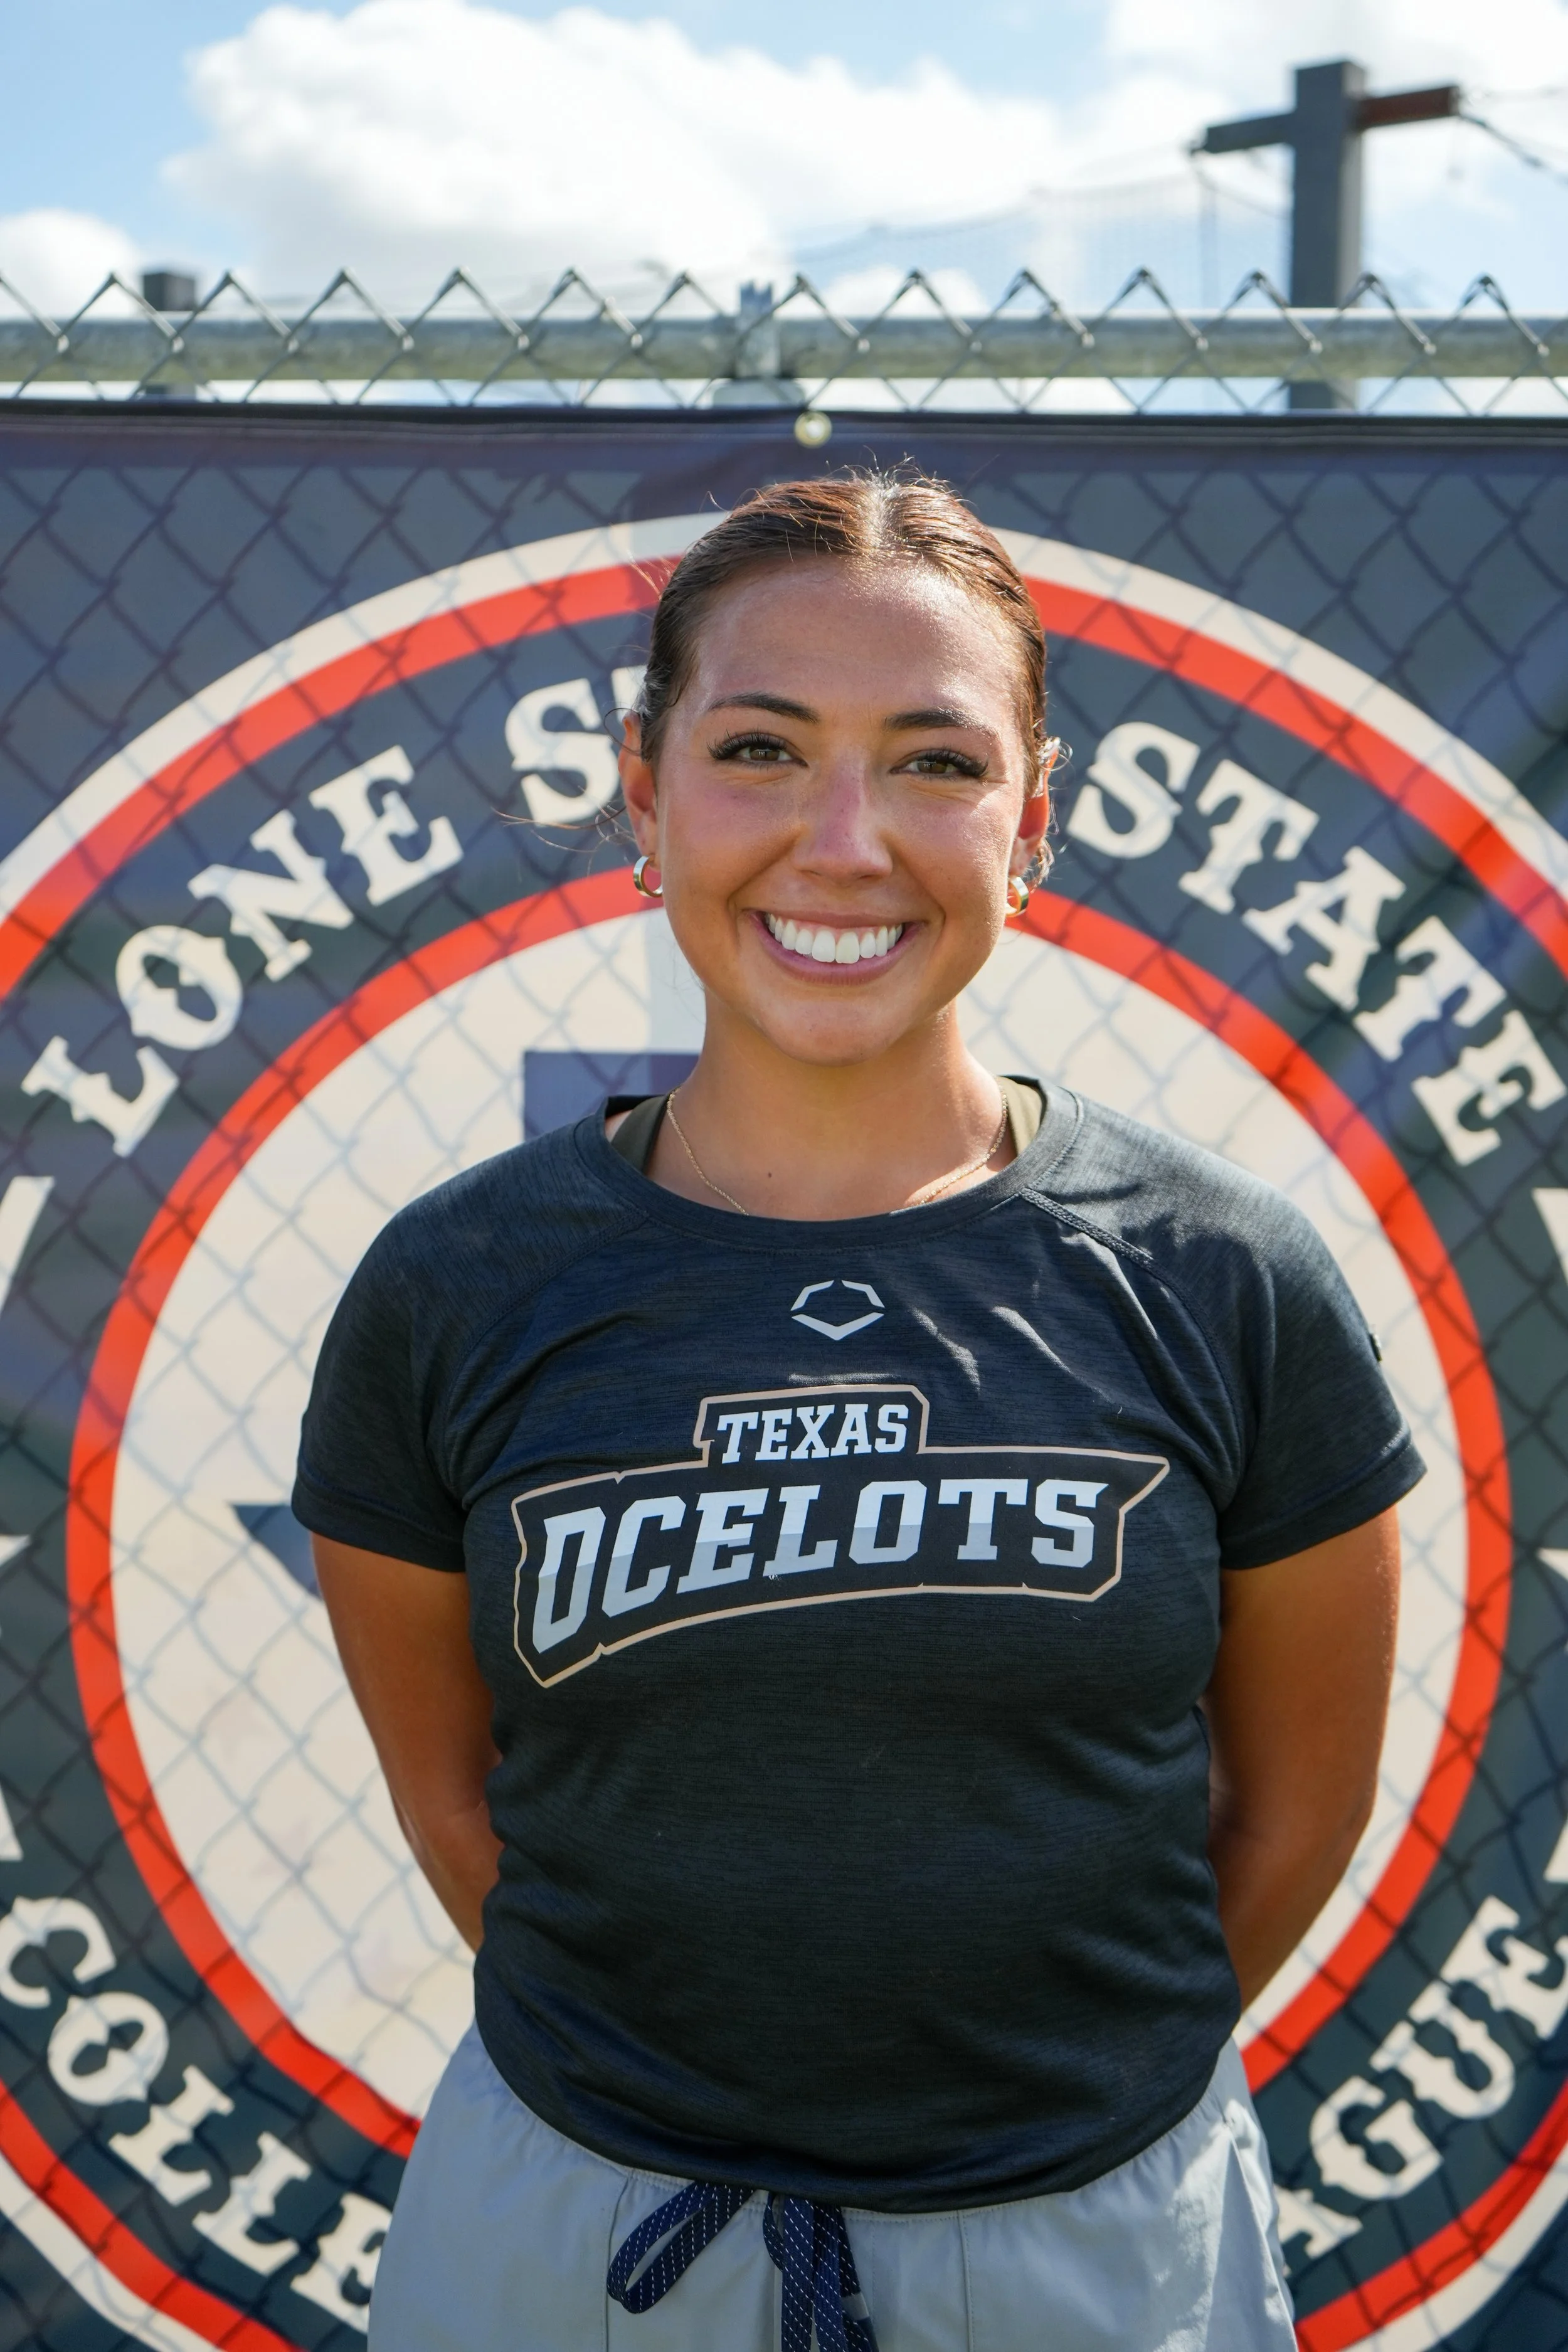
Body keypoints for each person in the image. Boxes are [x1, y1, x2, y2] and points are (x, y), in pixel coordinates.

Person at [295, 473, 1421, 2351]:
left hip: (1091, 2237)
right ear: (642, 796)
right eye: (759, 748)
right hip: (580, 2223)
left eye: (931, 762)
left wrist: (1020, 2124)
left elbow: (1294, 1813)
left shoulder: (1226, 1272)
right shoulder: (456, 1286)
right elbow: (454, 1803)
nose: (843, 840)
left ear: (1030, 822)